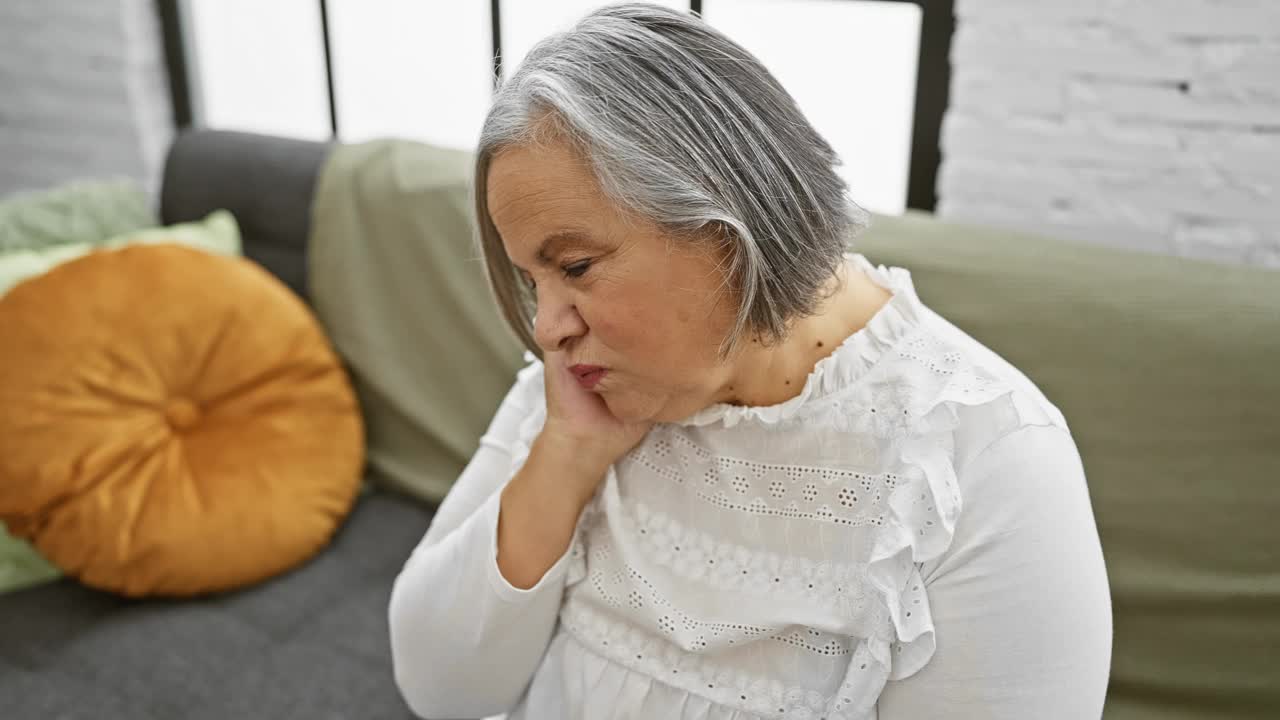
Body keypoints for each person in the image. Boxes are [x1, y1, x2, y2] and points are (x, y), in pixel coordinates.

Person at [389, 4, 1112, 719]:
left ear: (728, 226)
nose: (547, 328)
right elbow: (440, 688)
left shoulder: (982, 459)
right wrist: (567, 456)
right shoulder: (584, 388)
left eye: (575, 266)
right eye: (531, 281)